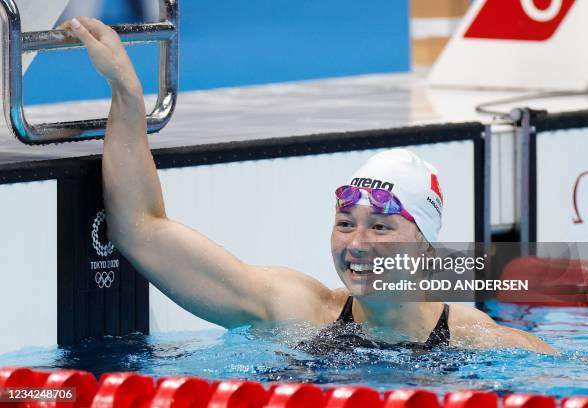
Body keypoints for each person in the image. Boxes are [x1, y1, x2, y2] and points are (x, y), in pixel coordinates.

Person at [65, 17, 557, 355]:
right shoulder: (293, 309)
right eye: (346, 223)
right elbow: (139, 229)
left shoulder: (477, 340)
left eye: (381, 227)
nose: (356, 244)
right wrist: (127, 93)